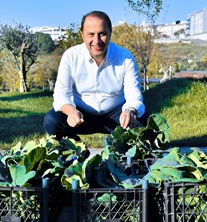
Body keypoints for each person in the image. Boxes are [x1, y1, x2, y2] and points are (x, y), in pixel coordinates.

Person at [44, 11, 147, 139]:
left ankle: (119, 145)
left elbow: (134, 95)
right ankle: (77, 150)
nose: (97, 41)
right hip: (81, 116)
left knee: (146, 123)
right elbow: (61, 94)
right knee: (52, 120)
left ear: (110, 33)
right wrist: (71, 111)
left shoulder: (125, 58)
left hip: (117, 117)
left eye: (102, 34)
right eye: (91, 34)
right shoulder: (71, 56)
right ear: (82, 35)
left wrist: (129, 111)